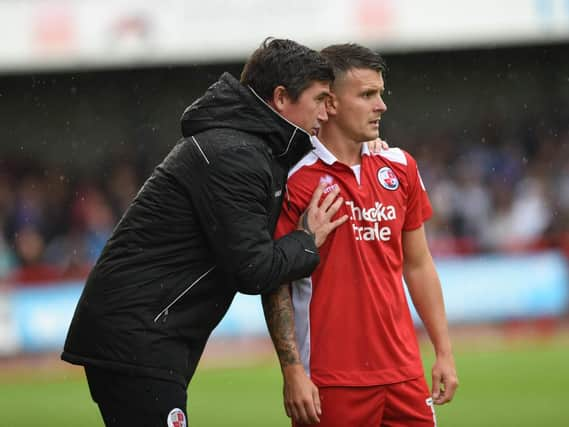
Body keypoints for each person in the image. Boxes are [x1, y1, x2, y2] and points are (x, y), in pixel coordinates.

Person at [61, 38, 350, 427]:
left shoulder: (242, 144)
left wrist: (364, 150)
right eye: (319, 99)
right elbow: (253, 269)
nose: (326, 113)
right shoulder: (236, 155)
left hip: (142, 335)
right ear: (281, 97)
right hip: (140, 338)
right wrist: (307, 239)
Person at [263, 43, 458, 426]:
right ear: (330, 104)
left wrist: (444, 351)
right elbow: (276, 283)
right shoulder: (295, 180)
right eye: (368, 94)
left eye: (380, 93)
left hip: (404, 374)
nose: (381, 105)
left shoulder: (400, 167)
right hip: (331, 381)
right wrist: (292, 372)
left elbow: (418, 265)